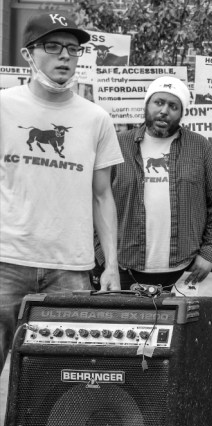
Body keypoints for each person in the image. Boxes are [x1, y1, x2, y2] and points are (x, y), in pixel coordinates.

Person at [0, 13, 122, 372]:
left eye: (72, 48)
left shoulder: (96, 118)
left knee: (58, 383)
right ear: (28, 54)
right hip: (6, 260)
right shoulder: (3, 107)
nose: (64, 56)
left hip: (70, 270)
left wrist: (111, 265)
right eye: (52, 47)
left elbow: (103, 196)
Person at [107, 76, 212, 287]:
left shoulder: (200, 147)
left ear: (182, 113)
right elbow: (96, 199)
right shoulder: (118, 145)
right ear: (147, 105)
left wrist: (209, 253)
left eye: (173, 106)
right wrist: (104, 257)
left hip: (186, 270)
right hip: (124, 268)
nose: (164, 110)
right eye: (159, 102)